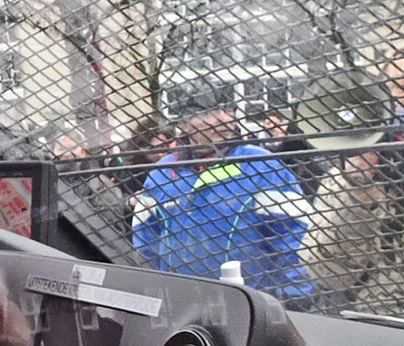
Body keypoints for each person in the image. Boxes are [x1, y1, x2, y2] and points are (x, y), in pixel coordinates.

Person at [132, 93, 313, 302]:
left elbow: (294, 233)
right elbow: (144, 239)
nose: (225, 119)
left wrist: (295, 295)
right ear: (184, 124)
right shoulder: (162, 173)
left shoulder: (260, 165)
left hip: (250, 304)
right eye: (211, 113)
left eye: (228, 110)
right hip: (179, 302)